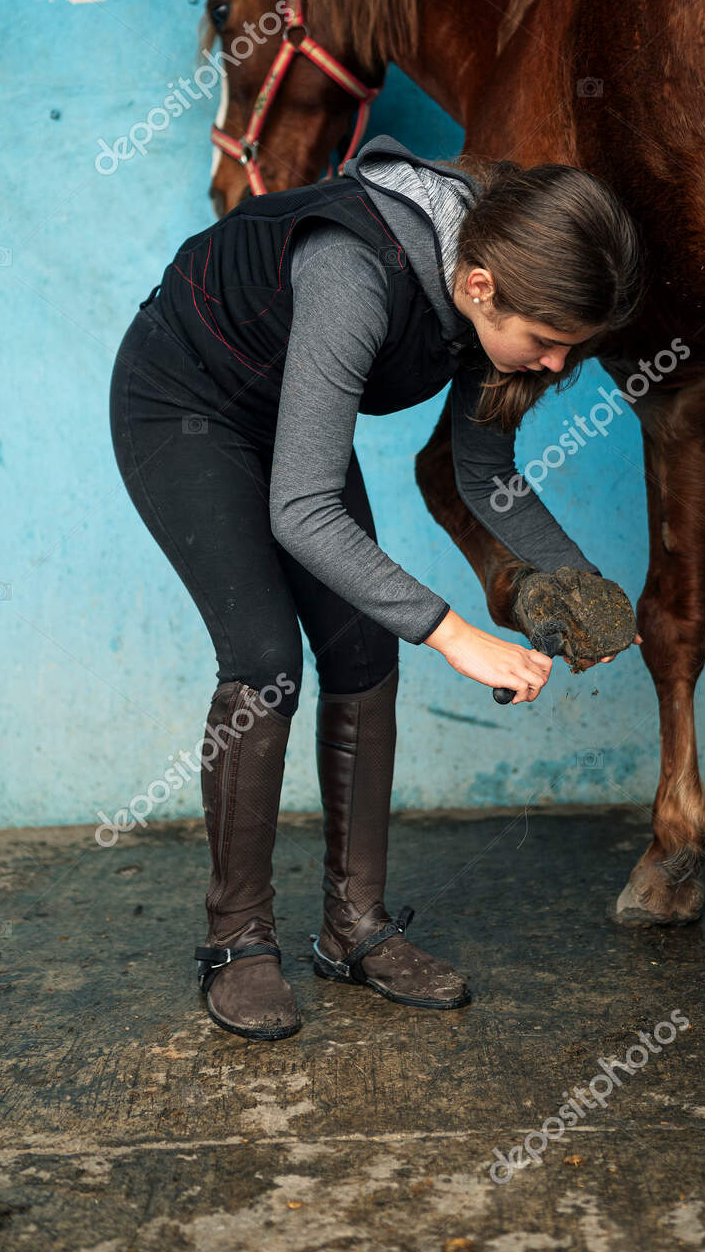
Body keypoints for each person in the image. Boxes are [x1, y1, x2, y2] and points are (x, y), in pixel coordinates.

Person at [108, 134, 643, 1041]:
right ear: (478, 286)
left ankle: (352, 929)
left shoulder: (492, 281)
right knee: (267, 659)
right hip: (183, 402)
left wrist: (578, 581)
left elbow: (485, 477)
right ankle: (235, 939)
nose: (556, 367)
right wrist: (457, 635)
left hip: (284, 421)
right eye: (549, 343)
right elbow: (304, 511)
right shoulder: (354, 270)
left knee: (361, 648)